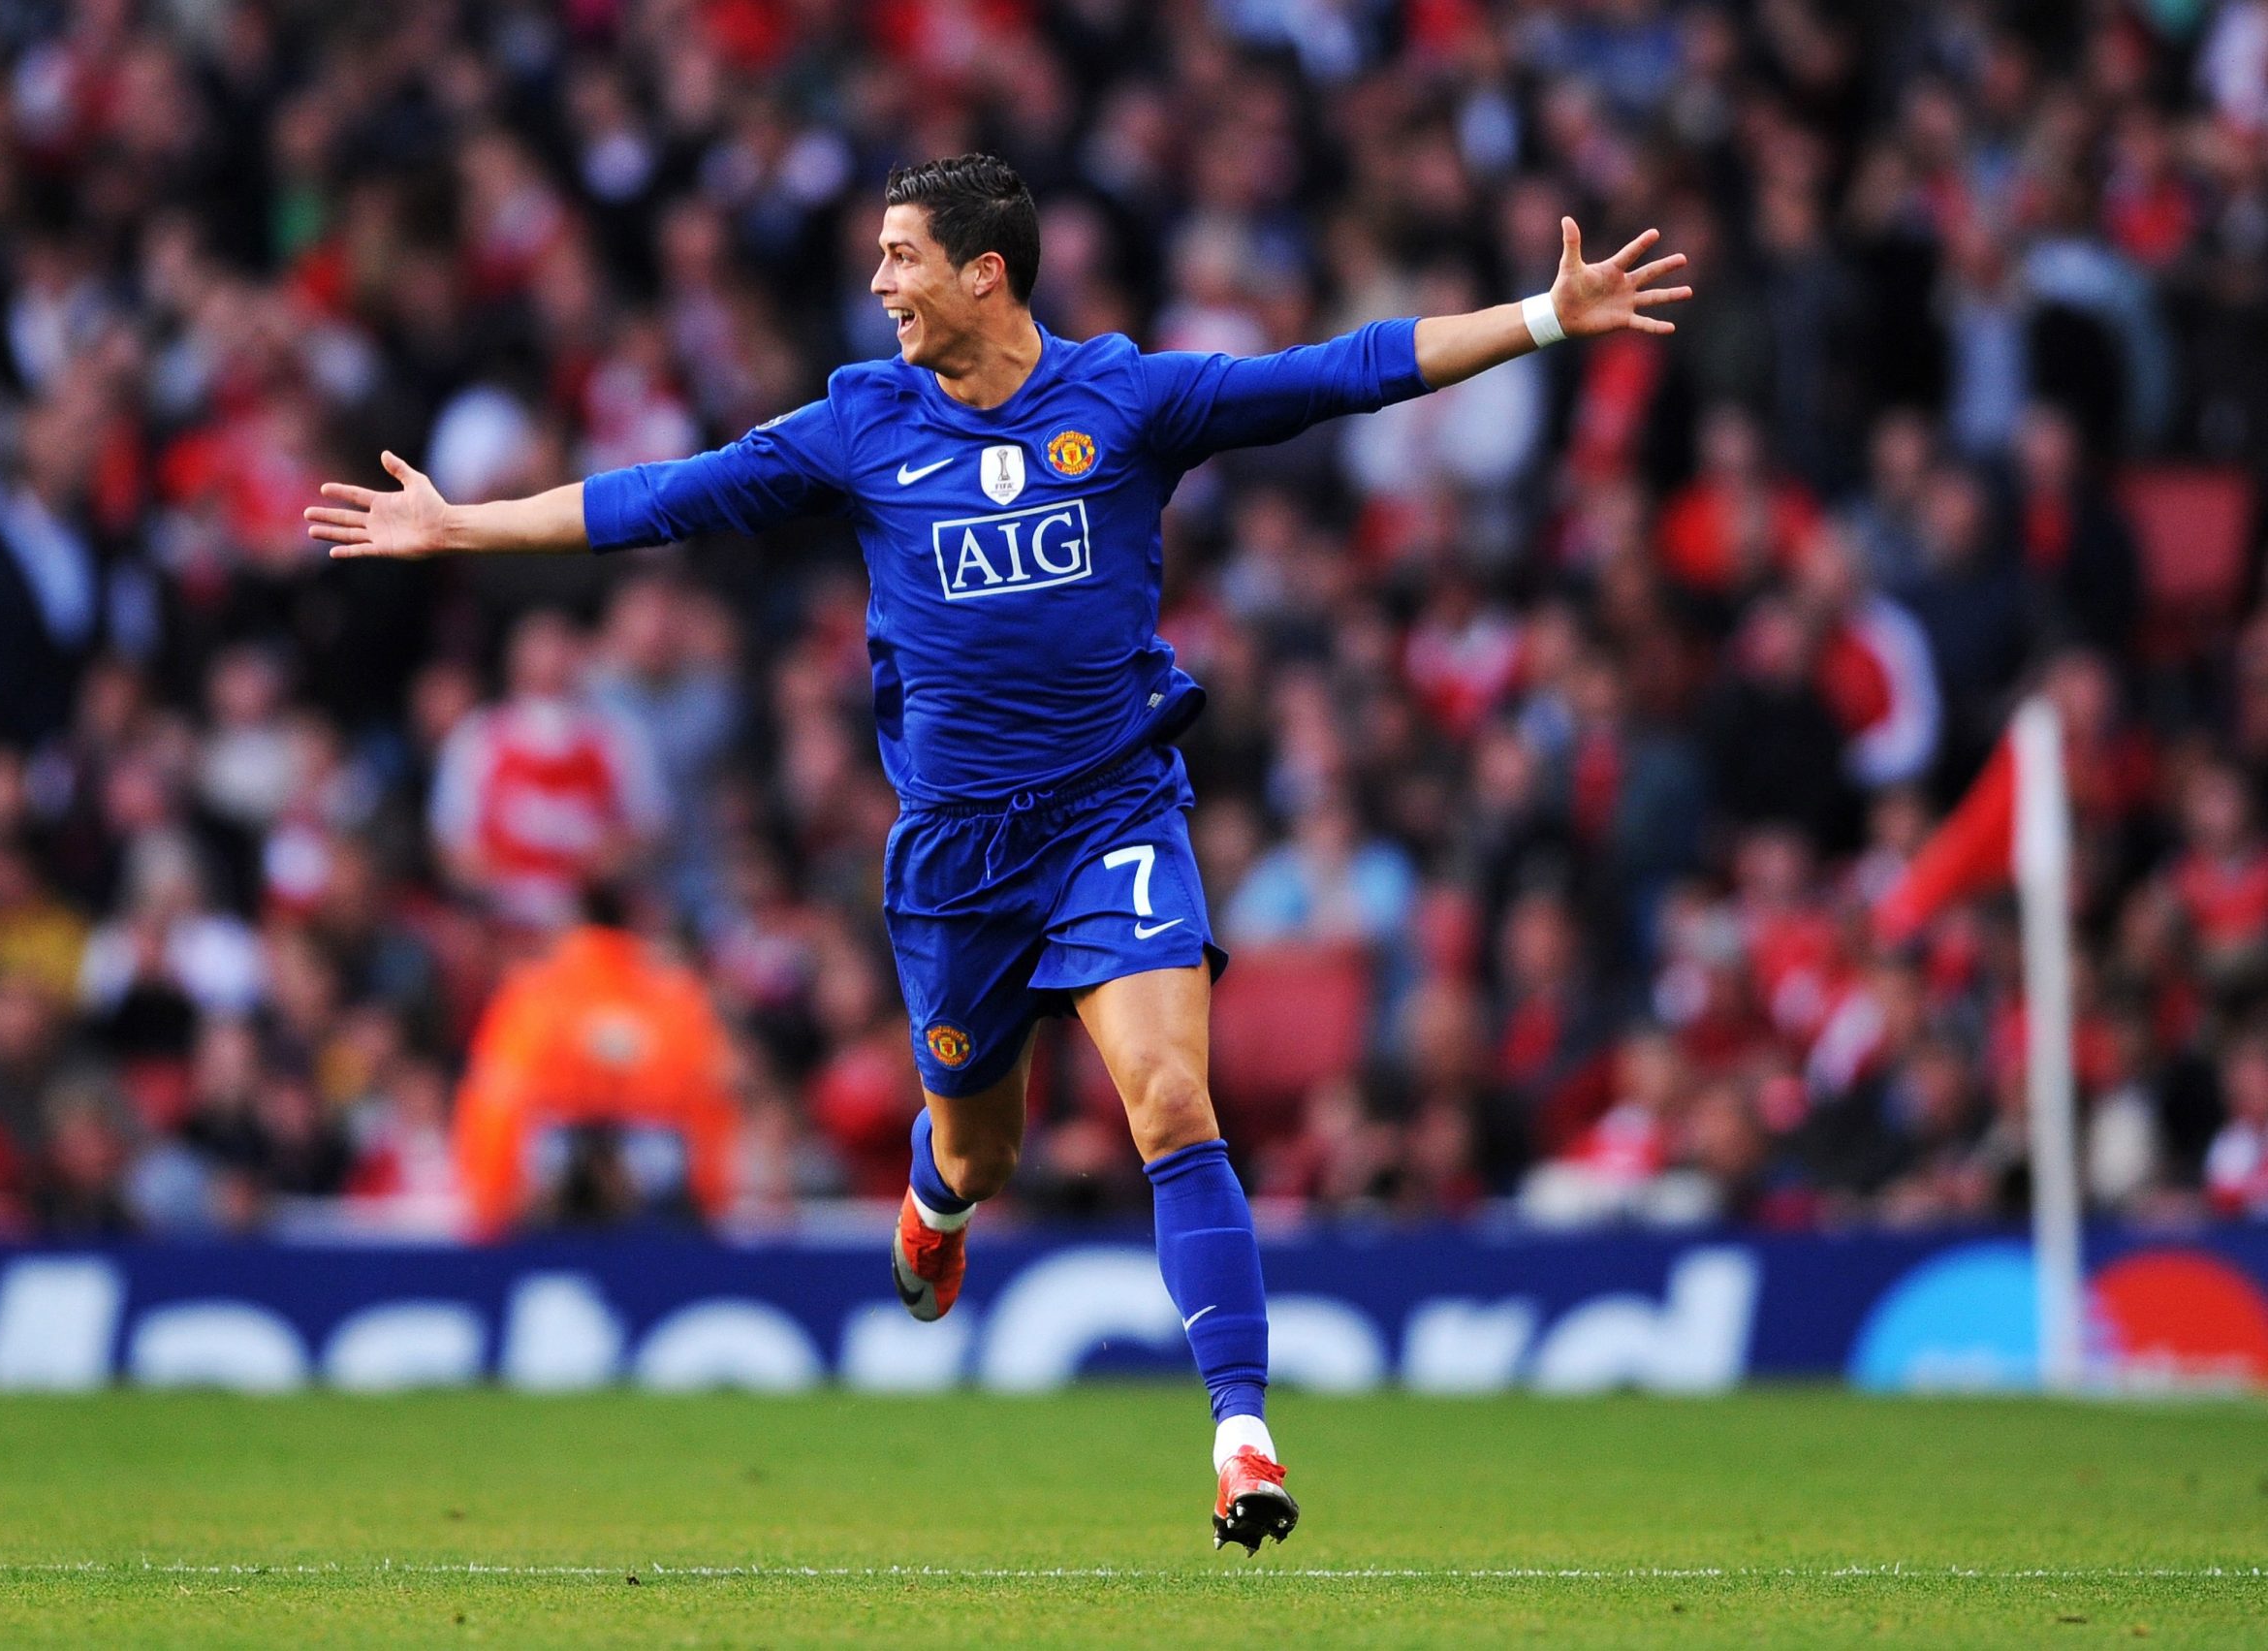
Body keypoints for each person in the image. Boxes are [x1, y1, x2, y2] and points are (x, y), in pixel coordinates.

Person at [308, 153, 1689, 1551]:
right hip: (959, 860)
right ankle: (934, 1194)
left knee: (1169, 1099)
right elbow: (667, 495)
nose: (878, 284)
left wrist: (1540, 319)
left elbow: (1339, 371)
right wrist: (463, 525)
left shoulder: (1130, 399)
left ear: (986, 271)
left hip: (1113, 814)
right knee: (984, 1149)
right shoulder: (863, 424)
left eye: (901, 257)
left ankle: (1242, 1435)